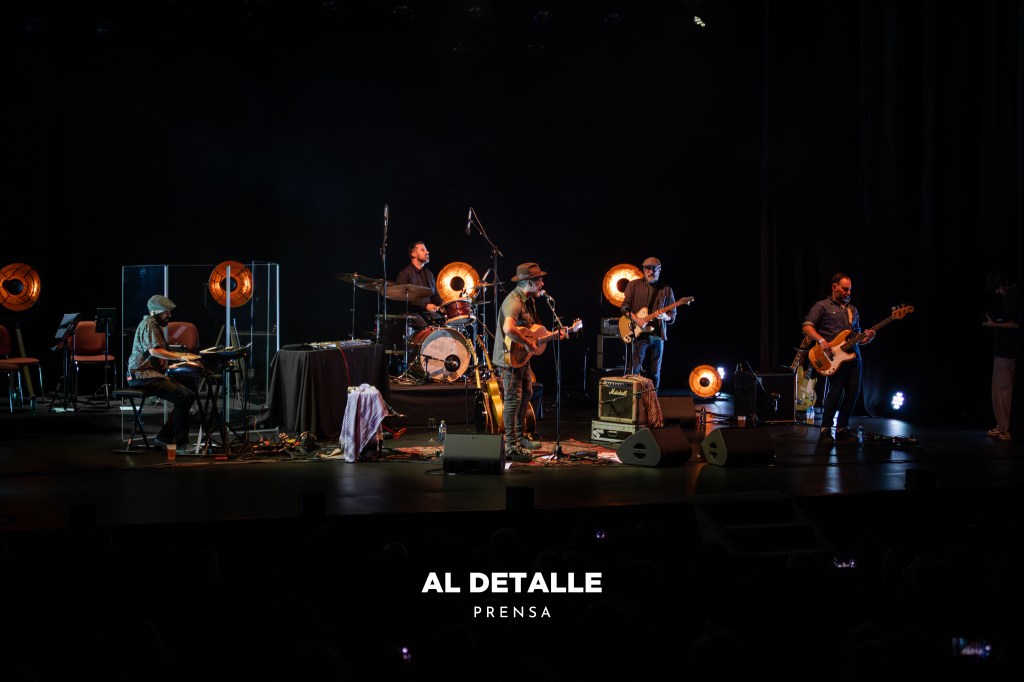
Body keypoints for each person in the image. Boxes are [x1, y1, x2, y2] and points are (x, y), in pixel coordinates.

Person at [491, 262, 557, 461]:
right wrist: (528, 344)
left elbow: (532, 330)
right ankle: (511, 444)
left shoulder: (529, 300)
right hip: (509, 358)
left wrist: (556, 334)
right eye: (539, 280)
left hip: (521, 357)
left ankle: (521, 437)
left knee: (527, 393)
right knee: (512, 400)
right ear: (529, 282)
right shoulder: (514, 301)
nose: (542, 283)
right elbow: (509, 329)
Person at [802, 273, 875, 443]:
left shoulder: (853, 310)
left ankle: (842, 428)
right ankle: (825, 430)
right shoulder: (822, 306)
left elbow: (856, 336)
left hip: (854, 357)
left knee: (853, 394)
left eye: (849, 290)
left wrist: (867, 338)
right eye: (845, 289)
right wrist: (821, 340)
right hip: (833, 357)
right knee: (835, 393)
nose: (848, 293)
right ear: (834, 287)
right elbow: (806, 326)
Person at [126, 295, 197, 448]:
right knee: (182, 397)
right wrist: (181, 357)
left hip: (151, 374)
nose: (169, 315)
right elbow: (155, 351)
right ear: (155, 312)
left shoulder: (154, 325)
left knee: (189, 395)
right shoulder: (149, 324)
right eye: (166, 312)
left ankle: (164, 437)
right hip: (141, 375)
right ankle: (181, 444)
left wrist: (177, 359)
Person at [620, 257, 677, 391]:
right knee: (634, 369)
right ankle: (632, 401)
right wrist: (636, 319)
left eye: (653, 269)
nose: (649, 272)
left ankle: (652, 403)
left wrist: (665, 317)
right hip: (639, 335)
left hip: (658, 336)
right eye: (647, 269)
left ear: (659, 270)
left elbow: (672, 315)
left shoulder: (667, 289)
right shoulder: (633, 285)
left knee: (655, 372)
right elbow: (624, 307)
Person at [983, 270, 1019, 441]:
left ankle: (1005, 427)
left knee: (1003, 389)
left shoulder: (1016, 297)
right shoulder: (1009, 297)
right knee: (997, 388)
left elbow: (1016, 323)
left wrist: (995, 323)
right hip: (1002, 348)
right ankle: (1001, 425)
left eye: (998, 288)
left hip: (1008, 349)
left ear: (1005, 284)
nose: (997, 292)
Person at [394, 241, 444, 330]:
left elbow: (435, 295)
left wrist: (443, 305)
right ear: (413, 254)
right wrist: (425, 305)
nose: (427, 252)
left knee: (443, 323)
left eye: (426, 250)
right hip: (411, 313)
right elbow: (403, 300)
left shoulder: (429, 274)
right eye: (423, 250)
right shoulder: (405, 274)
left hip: (427, 313)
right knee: (425, 327)